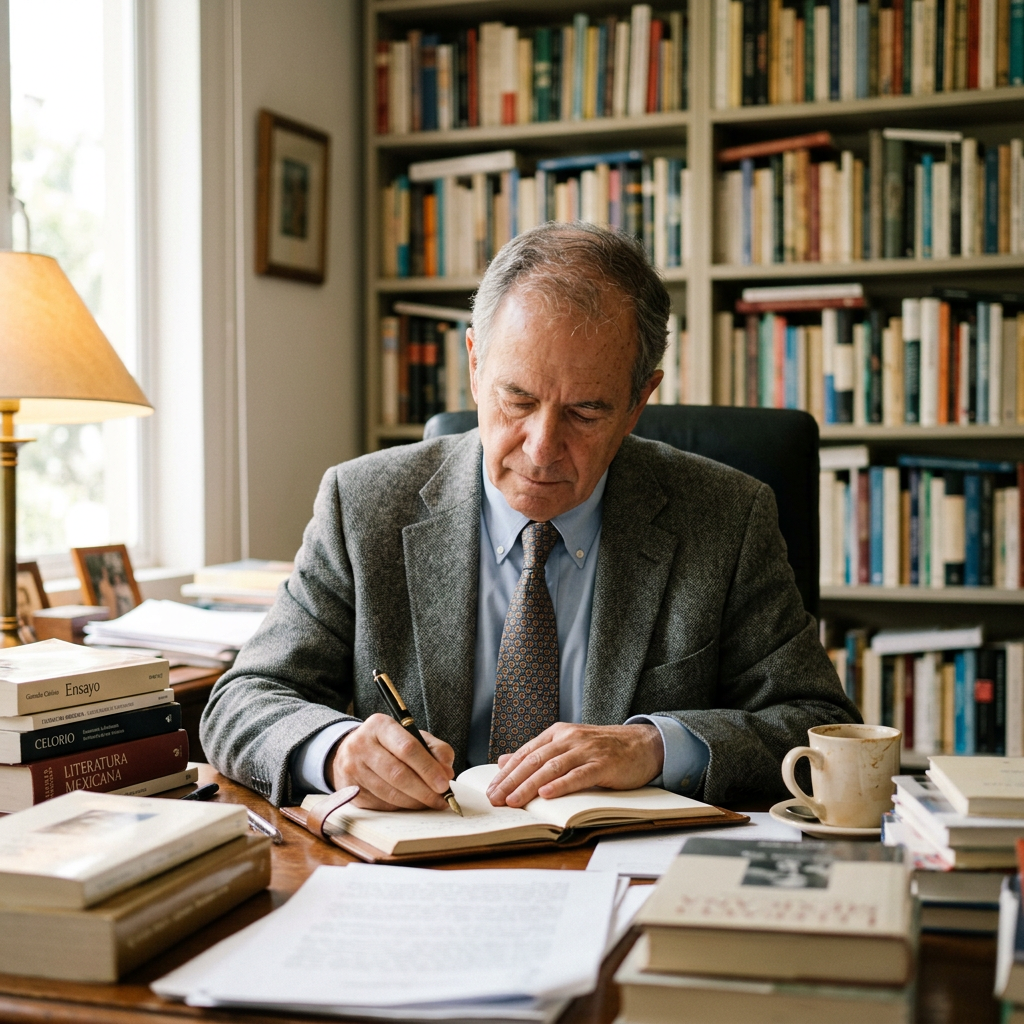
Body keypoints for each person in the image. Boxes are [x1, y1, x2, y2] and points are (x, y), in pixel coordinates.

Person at [200, 222, 859, 812]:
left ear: (639, 401)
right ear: (475, 365)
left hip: (624, 878)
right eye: (516, 399)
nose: (541, 449)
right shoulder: (364, 505)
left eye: (587, 412)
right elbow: (243, 700)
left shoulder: (727, 517)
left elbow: (819, 725)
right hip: (420, 878)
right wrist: (339, 750)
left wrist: (657, 747)